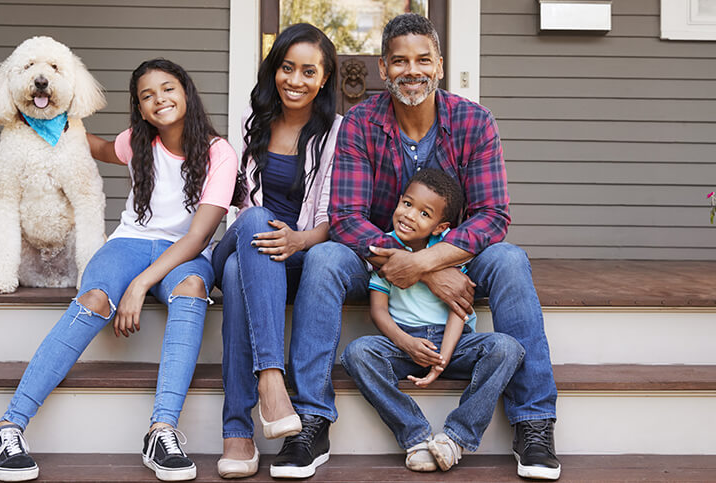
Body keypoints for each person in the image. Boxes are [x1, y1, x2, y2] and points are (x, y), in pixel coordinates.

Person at [286, 13, 563, 480]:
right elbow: (346, 218)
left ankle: (534, 422)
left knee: (511, 259)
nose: (411, 70)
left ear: (438, 64)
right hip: (376, 259)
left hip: (461, 256)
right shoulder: (359, 123)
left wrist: (429, 260)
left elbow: (492, 215)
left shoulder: (474, 122)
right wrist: (413, 265)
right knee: (323, 257)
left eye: (422, 59)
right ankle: (311, 419)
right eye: (399, 61)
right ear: (382, 68)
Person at [0, 58, 237, 483]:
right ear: (139, 107)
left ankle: (163, 430)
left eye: (168, 89)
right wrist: (48, 124)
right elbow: (94, 147)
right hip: (127, 244)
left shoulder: (218, 151)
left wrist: (140, 285)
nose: (160, 100)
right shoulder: (137, 140)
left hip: (184, 253)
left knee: (192, 289)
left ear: (186, 92)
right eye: (147, 96)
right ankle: (7, 428)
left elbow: (198, 236)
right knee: (94, 298)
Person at [211, 23, 341, 480]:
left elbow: (333, 218)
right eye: (287, 68)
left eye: (309, 71)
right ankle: (271, 380)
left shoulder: (337, 134)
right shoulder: (256, 121)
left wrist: (299, 239)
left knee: (232, 277)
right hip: (245, 238)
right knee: (251, 220)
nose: (296, 80)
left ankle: (237, 431)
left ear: (324, 79)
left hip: (296, 253)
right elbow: (236, 203)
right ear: (274, 70)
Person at [341, 168, 525, 473]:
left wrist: (443, 359)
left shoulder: (446, 253)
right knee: (357, 353)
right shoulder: (386, 249)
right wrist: (406, 343)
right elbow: (378, 312)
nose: (410, 216)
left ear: (440, 227)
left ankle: (456, 438)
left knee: (507, 349)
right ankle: (416, 436)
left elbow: (459, 308)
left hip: (455, 344)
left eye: (424, 214)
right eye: (407, 204)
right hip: (404, 343)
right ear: (398, 202)